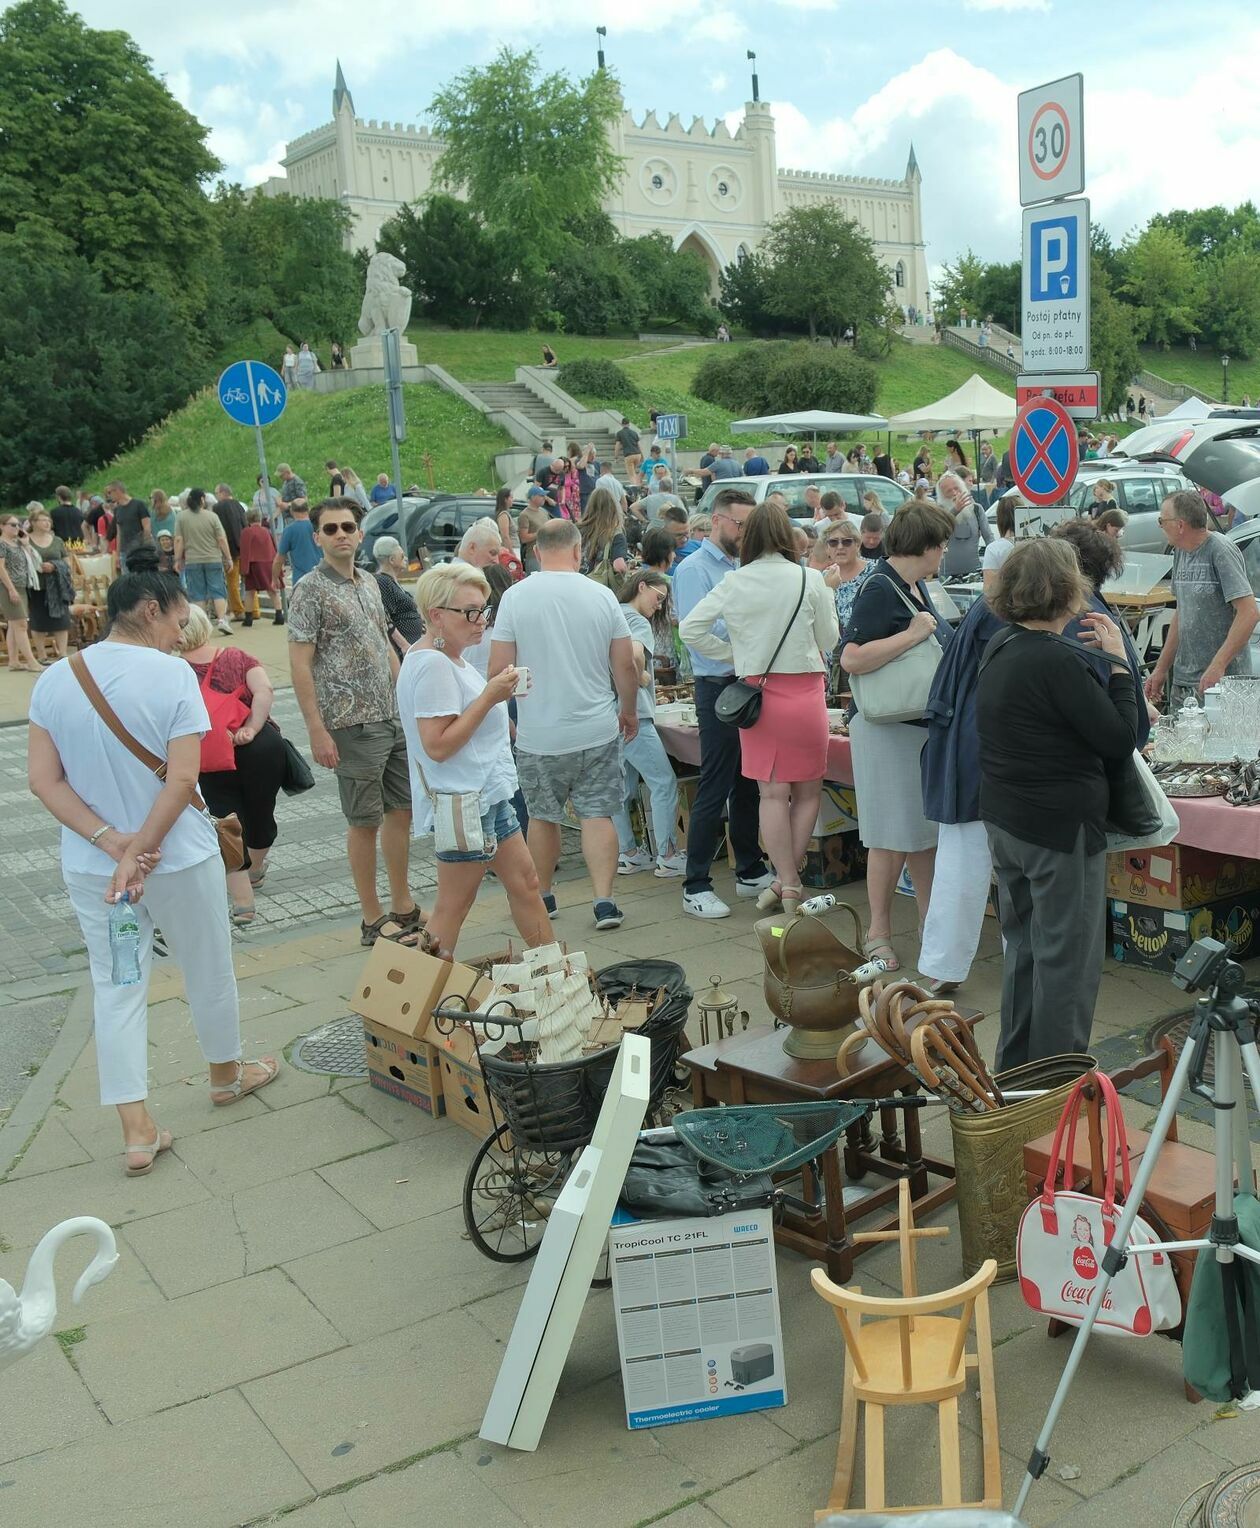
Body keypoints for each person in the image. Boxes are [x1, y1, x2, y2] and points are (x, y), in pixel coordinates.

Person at [28, 547, 279, 1174]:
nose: (180, 632)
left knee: (117, 986)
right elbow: (183, 779)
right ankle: (225, 1073)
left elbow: (43, 781)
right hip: (179, 858)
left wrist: (114, 844)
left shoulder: (55, 677)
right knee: (207, 964)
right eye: (175, 619)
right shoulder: (170, 676)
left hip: (95, 867)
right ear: (149, 609)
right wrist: (140, 849)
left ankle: (136, 1129)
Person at [977, 539, 1138, 1067]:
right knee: (1066, 964)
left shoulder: (1001, 644)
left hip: (1008, 821)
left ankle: (1017, 1075)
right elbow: (1120, 737)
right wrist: (1118, 666)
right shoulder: (1058, 660)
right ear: (1066, 589)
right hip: (1057, 830)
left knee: (1024, 953)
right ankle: (1055, 1089)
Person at [681, 501, 839, 915]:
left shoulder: (735, 581)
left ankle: (786, 882)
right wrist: (828, 593)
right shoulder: (811, 578)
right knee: (808, 792)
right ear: (788, 536)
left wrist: (735, 655)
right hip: (805, 694)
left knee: (771, 794)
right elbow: (828, 638)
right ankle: (787, 882)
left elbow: (690, 629)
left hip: (758, 694)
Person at [488, 518, 641, 930]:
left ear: (537, 551)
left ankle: (544, 896)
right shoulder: (602, 596)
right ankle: (604, 901)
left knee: (542, 816)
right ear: (578, 551)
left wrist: (505, 718)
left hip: (540, 732)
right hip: (596, 727)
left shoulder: (516, 598)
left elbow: (498, 669)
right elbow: (625, 664)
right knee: (597, 815)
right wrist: (628, 709)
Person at [288, 498, 424, 947]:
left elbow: (386, 643)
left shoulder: (369, 582)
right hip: (350, 723)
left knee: (401, 811)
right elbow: (300, 664)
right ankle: (371, 917)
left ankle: (402, 903)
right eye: (331, 529)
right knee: (364, 821)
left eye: (348, 526)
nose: (341, 534)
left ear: (360, 534)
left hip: (391, 716)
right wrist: (315, 729)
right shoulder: (309, 589)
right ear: (318, 538)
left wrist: (406, 696)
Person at [396, 562, 550, 959]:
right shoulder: (432, 664)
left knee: (527, 882)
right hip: (465, 804)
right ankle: (409, 1000)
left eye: (484, 609)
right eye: (471, 612)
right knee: (452, 908)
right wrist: (491, 696)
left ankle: (557, 974)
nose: (482, 621)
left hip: (485, 796)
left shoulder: (443, 656)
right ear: (436, 616)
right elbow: (439, 745)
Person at [840, 501, 956, 970]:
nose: (946, 551)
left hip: (912, 728)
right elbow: (850, 658)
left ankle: (931, 929)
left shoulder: (909, 584)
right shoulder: (880, 587)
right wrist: (912, 635)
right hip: (885, 730)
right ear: (925, 546)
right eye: (942, 544)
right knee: (889, 837)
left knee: (922, 834)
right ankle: (878, 932)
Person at [672, 486, 775, 919]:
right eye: (740, 524)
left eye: (750, 525)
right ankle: (695, 883)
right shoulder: (695, 569)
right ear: (716, 520)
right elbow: (697, 639)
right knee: (715, 782)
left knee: (748, 780)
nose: (746, 531)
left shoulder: (740, 564)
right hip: (718, 686)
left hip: (746, 683)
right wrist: (744, 653)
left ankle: (749, 867)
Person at [177, 605, 286, 926]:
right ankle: (254, 870)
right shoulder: (237, 656)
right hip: (260, 747)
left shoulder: (173, 668)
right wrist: (251, 727)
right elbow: (264, 690)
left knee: (226, 821)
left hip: (207, 752)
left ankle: (243, 903)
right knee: (260, 813)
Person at [1145, 490, 1259, 707]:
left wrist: (1218, 665)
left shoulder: (1220, 550)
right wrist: (1160, 669)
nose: (1160, 526)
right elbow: (1183, 613)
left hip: (1222, 684)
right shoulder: (1180, 552)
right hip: (1185, 681)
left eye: (1162, 520)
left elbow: (1249, 613)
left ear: (1180, 525)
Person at [610, 572, 687, 878]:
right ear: (641, 587)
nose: (660, 605)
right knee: (664, 783)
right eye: (658, 597)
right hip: (635, 716)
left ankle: (629, 852)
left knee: (622, 788)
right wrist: (641, 677)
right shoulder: (637, 622)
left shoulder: (613, 616)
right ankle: (667, 854)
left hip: (612, 714)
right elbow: (634, 654)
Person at [174, 487, 233, 634]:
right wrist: (228, 557)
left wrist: (177, 559)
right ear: (202, 500)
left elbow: (179, 539)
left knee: (197, 593)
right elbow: (221, 539)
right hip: (213, 558)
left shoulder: (181, 517)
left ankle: (202, 624)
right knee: (218, 590)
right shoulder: (212, 517)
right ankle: (221, 620)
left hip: (193, 560)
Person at [25, 505, 73, 660]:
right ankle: (41, 654)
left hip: (57, 586)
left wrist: (54, 566)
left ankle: (63, 653)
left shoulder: (57, 540)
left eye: (48, 520)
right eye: (43, 520)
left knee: (61, 620)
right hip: (37, 586)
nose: (47, 523)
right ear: (33, 522)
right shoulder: (26, 540)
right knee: (38, 619)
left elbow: (67, 563)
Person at [824, 520, 875, 647]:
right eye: (833, 542)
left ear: (857, 545)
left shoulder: (875, 573)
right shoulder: (821, 578)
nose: (840, 547)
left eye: (846, 542)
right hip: (833, 660)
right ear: (827, 548)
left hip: (867, 653)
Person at [1, 513, 41, 672]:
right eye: (12, 524)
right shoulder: (2, 544)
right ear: (2, 526)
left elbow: (33, 560)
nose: (16, 527)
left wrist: (25, 543)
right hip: (9, 587)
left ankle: (14, 660)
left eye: (18, 524)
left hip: (22, 585)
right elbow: (1, 568)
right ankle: (31, 661)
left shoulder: (17, 543)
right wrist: (11, 589)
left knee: (14, 624)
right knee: (21, 624)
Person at [373, 535, 423, 652]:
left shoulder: (392, 581)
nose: (405, 558)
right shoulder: (382, 582)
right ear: (391, 560)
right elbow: (385, 619)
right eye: (402, 556)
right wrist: (404, 645)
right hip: (401, 651)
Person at [273, 499, 321, 619]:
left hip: (301, 579)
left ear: (292, 511)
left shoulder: (289, 530)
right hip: (322, 575)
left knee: (304, 617)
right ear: (308, 509)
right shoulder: (318, 526)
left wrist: (274, 577)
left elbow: (279, 558)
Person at [938, 471, 990, 578]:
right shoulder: (938, 512)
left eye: (956, 488)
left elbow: (989, 538)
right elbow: (938, 533)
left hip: (974, 573)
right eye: (948, 491)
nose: (954, 493)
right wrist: (955, 510)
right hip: (946, 575)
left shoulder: (977, 509)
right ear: (942, 495)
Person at [579, 486, 630, 588]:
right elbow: (619, 566)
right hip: (600, 588)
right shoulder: (616, 535)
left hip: (578, 582)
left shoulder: (577, 529)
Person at [213, 484, 248, 620]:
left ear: (222, 493)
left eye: (216, 493)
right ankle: (253, 609)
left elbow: (219, 531)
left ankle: (238, 610)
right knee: (247, 580)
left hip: (229, 549)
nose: (216, 496)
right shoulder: (239, 505)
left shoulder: (217, 508)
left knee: (232, 582)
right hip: (243, 548)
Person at [238, 510, 277, 627]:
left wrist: (243, 570)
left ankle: (248, 618)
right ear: (259, 519)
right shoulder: (266, 532)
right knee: (272, 590)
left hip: (253, 564)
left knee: (250, 591)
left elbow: (244, 551)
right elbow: (273, 548)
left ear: (248, 519)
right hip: (268, 562)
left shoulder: (246, 532)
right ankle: (279, 614)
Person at [106, 480, 151, 568]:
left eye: (109, 492)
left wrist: (146, 548)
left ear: (117, 490)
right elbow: (119, 533)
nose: (109, 495)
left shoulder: (139, 505)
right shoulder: (117, 509)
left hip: (139, 550)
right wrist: (118, 555)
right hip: (124, 552)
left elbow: (147, 527)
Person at [981, 498, 1017, 595]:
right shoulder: (1035, 545)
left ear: (999, 519)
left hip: (1006, 604)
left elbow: (989, 589)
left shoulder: (994, 549)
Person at [517, 505, 550, 575]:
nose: (544, 498)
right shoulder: (525, 515)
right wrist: (539, 533)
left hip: (547, 555)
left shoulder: (544, 512)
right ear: (533, 496)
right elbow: (523, 538)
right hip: (533, 556)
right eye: (541, 495)